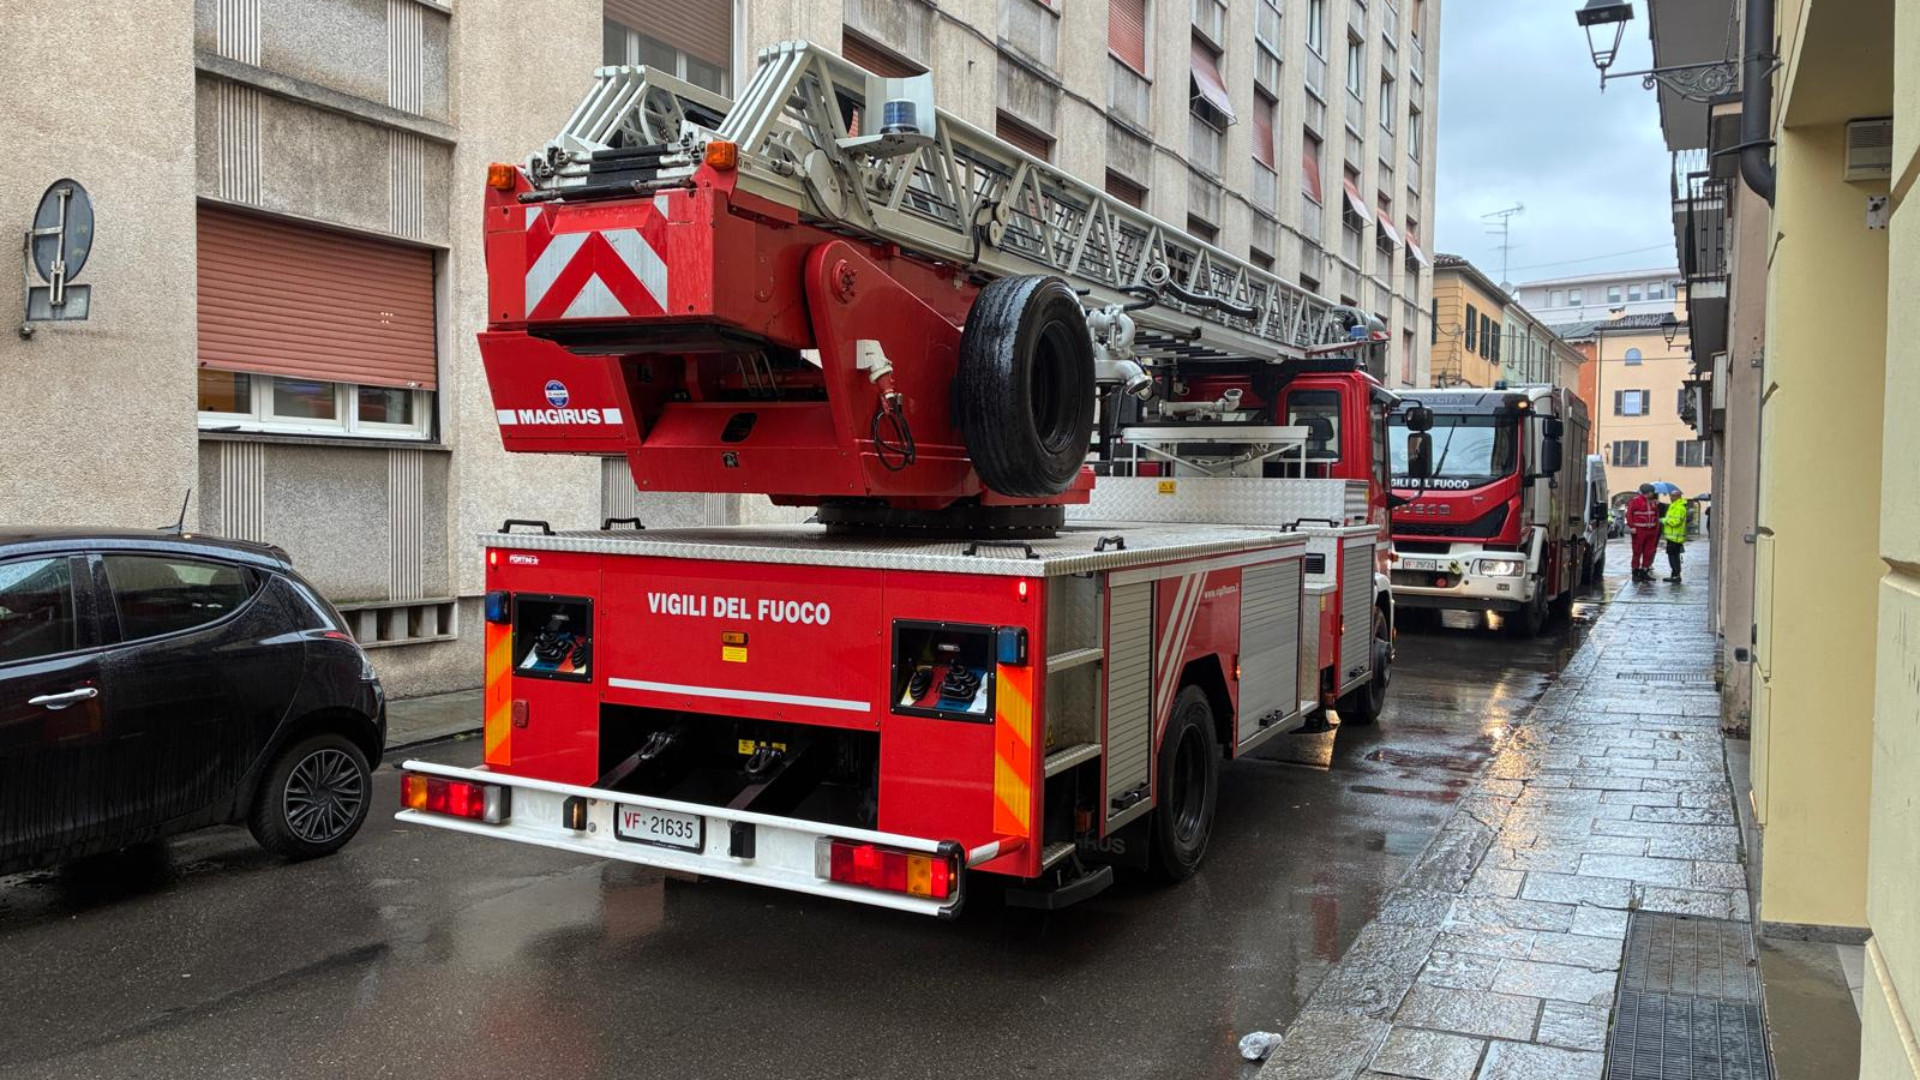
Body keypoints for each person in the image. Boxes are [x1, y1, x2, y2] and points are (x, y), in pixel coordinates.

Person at [1627, 483, 1661, 582]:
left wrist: (1656, 529)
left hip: (1651, 531)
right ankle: (1635, 572)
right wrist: (1632, 526)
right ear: (1647, 492)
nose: (1653, 493)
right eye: (1652, 492)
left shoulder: (1653, 502)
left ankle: (1644, 571)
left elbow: (1656, 516)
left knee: (1648, 552)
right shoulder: (1635, 501)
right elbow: (1629, 514)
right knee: (1637, 551)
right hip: (1639, 531)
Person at [1662, 488, 1691, 583]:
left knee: (1674, 557)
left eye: (1673, 496)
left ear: (1678, 496)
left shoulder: (1679, 507)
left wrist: (1664, 520)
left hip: (1675, 537)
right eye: (1671, 496)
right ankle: (1675, 575)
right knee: (1673, 557)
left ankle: (1676, 576)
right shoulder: (1674, 506)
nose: (1671, 497)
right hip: (1672, 537)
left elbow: (1676, 522)